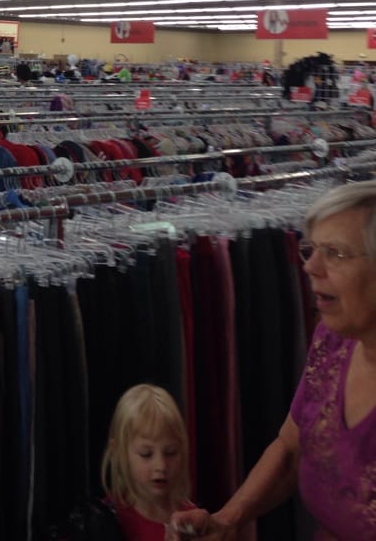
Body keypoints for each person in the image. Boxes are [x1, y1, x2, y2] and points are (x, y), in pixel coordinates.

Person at [170, 181, 376, 540]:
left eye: (335, 253)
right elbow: (291, 449)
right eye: (310, 250)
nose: (310, 267)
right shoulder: (333, 343)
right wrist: (227, 520)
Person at [83, 384, 193, 540]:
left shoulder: (192, 519)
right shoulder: (107, 522)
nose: (161, 466)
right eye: (146, 454)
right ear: (118, 453)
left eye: (171, 453)